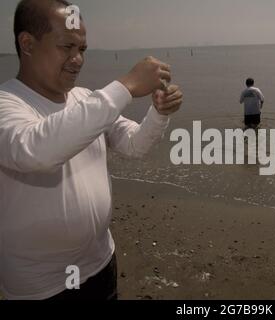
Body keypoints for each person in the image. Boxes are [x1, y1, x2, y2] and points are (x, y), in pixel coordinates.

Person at [0, 0, 183, 300]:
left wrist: (159, 113)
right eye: (67, 47)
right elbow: (35, 152)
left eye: (82, 49)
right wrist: (125, 86)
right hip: (40, 286)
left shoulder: (85, 99)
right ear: (27, 43)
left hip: (100, 263)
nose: (77, 59)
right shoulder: (7, 103)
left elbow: (134, 144)